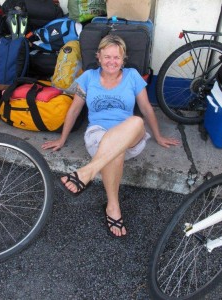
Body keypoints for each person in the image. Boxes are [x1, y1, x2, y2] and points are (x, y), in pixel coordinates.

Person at [42, 35, 180, 238]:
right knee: (115, 152)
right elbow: (73, 111)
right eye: (107, 56)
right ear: (98, 56)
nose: (111, 61)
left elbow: (146, 109)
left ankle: (88, 172)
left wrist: (158, 137)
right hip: (98, 134)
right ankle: (113, 207)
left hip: (130, 134)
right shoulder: (88, 77)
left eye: (116, 57)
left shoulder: (132, 76)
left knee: (137, 121)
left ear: (123, 59)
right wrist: (62, 139)